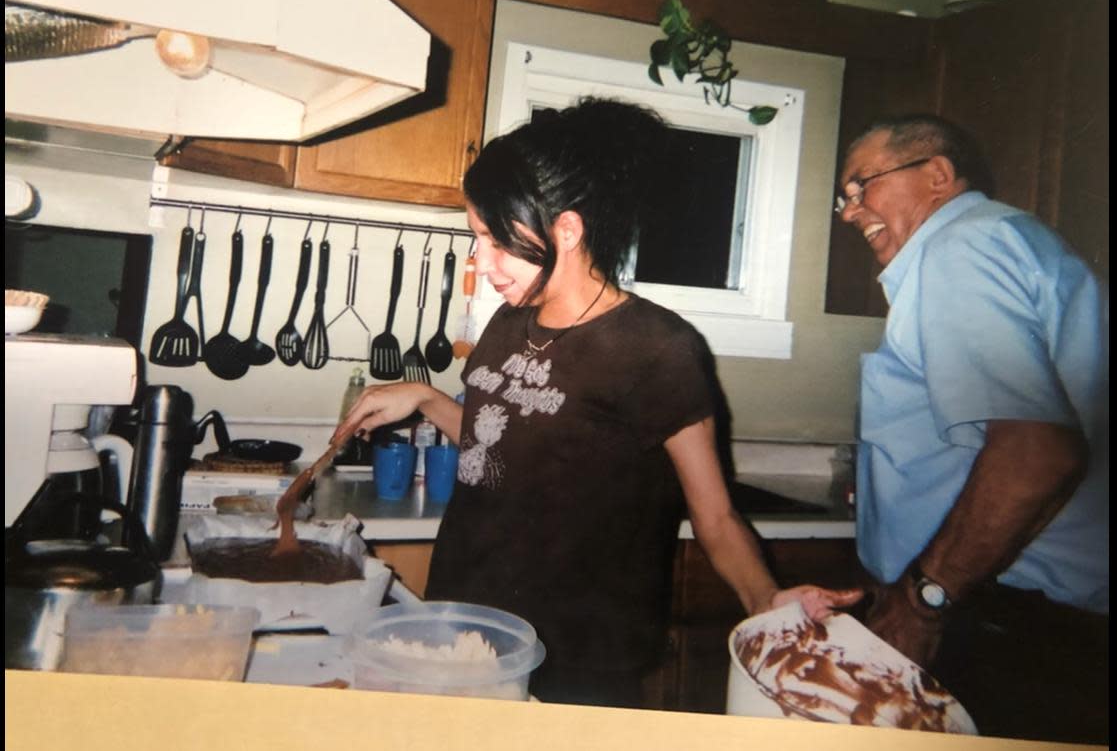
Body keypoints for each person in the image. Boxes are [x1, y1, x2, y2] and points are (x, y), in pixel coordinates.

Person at [335, 98, 861, 708]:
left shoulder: (657, 350)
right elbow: (496, 443)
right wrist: (426, 398)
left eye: (495, 240)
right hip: (470, 632)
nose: (480, 263)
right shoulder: (511, 320)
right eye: (475, 237)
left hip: (575, 659)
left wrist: (763, 601)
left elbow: (715, 517)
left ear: (566, 229)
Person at [835, 114, 1108, 744]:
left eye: (863, 186)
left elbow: (1037, 454)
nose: (850, 213)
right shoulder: (1003, 242)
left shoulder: (960, 248)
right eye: (844, 198)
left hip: (1009, 623)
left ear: (937, 175)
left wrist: (922, 600)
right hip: (1015, 611)